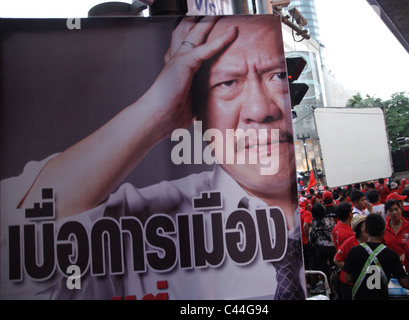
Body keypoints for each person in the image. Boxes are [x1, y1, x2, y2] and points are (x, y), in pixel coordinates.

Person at [1, 15, 304, 300]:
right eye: (227, 83)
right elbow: (11, 257)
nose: (260, 109)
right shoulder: (145, 225)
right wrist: (155, 114)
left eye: (278, 76)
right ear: (197, 111)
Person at [343, 214, 409, 300]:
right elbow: (404, 282)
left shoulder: (354, 251)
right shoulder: (391, 254)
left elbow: (347, 278)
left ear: (366, 230)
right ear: (384, 231)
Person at [333, 214, 368, 300]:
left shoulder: (372, 240)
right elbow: (337, 260)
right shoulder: (349, 242)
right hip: (349, 284)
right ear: (359, 228)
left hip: (367, 283)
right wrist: (351, 270)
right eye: (365, 225)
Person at [383, 199, 409, 263]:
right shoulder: (383, 229)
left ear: (401, 209)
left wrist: (406, 254)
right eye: (390, 210)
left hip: (408, 265)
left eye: (396, 209)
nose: (394, 213)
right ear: (386, 213)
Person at [309, 203, 336, 282]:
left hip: (320, 247)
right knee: (334, 266)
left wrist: (313, 243)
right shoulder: (331, 220)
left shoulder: (314, 223)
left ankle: (327, 284)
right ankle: (335, 282)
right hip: (332, 245)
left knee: (323, 267)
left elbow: (311, 236)